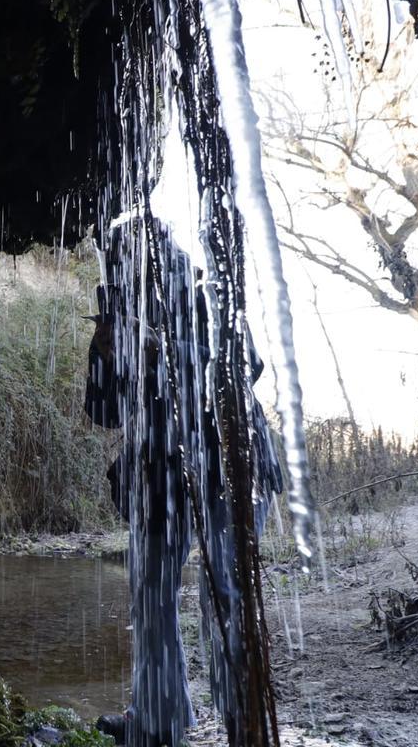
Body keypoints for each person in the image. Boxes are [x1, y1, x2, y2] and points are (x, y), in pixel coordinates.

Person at [84, 220, 283, 747]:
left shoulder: (206, 294)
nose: (121, 269)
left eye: (129, 258)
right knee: (149, 595)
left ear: (158, 253)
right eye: (115, 262)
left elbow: (245, 366)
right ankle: (157, 722)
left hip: (230, 461)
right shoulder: (118, 311)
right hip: (159, 475)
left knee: (227, 594)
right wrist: (106, 354)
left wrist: (162, 350)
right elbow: (102, 413)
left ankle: (245, 723)